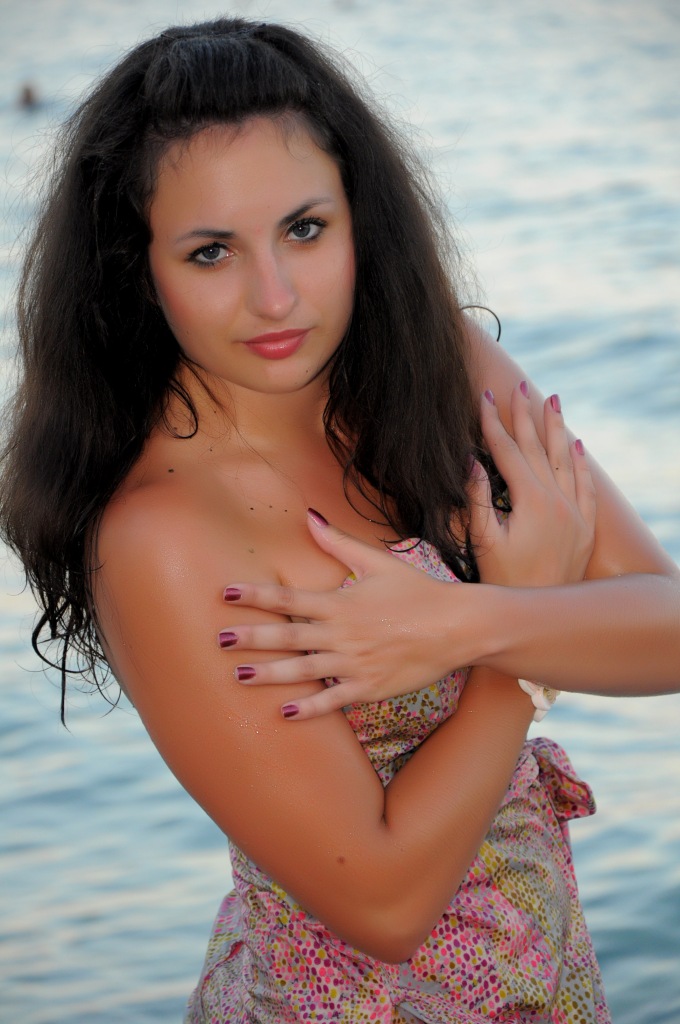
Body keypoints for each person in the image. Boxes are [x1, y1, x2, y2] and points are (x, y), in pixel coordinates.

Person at [1, 17, 678, 1024]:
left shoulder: (439, 370)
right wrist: (517, 643)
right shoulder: (163, 536)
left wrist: (471, 620)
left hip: (549, 986)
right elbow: (384, 900)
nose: (275, 296)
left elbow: (666, 626)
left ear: (359, 217)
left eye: (305, 230)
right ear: (136, 268)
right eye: (211, 252)